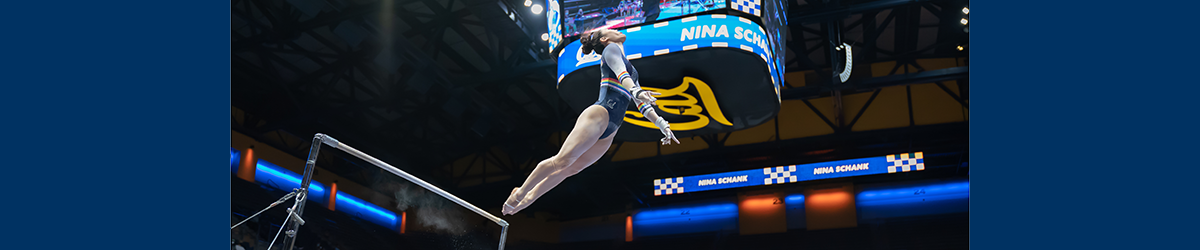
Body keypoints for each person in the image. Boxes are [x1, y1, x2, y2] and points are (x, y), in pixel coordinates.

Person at [503, 29, 679, 215]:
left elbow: (641, 103)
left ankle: (528, 200)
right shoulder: (611, 50)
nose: (616, 30)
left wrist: (661, 123)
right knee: (562, 161)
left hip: (612, 129)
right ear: (604, 39)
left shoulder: (633, 70)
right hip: (600, 114)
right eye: (611, 30)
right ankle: (520, 193)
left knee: (569, 170)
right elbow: (621, 75)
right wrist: (636, 91)